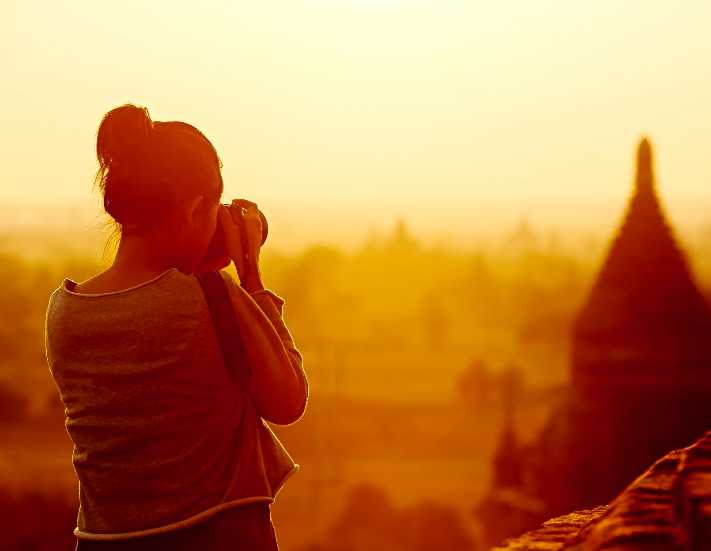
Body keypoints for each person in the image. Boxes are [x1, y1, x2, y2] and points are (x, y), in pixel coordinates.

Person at [43, 104, 309, 550]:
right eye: (210, 213)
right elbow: (288, 399)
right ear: (191, 210)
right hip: (221, 535)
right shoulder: (210, 296)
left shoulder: (65, 312)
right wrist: (252, 279)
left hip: (102, 540)